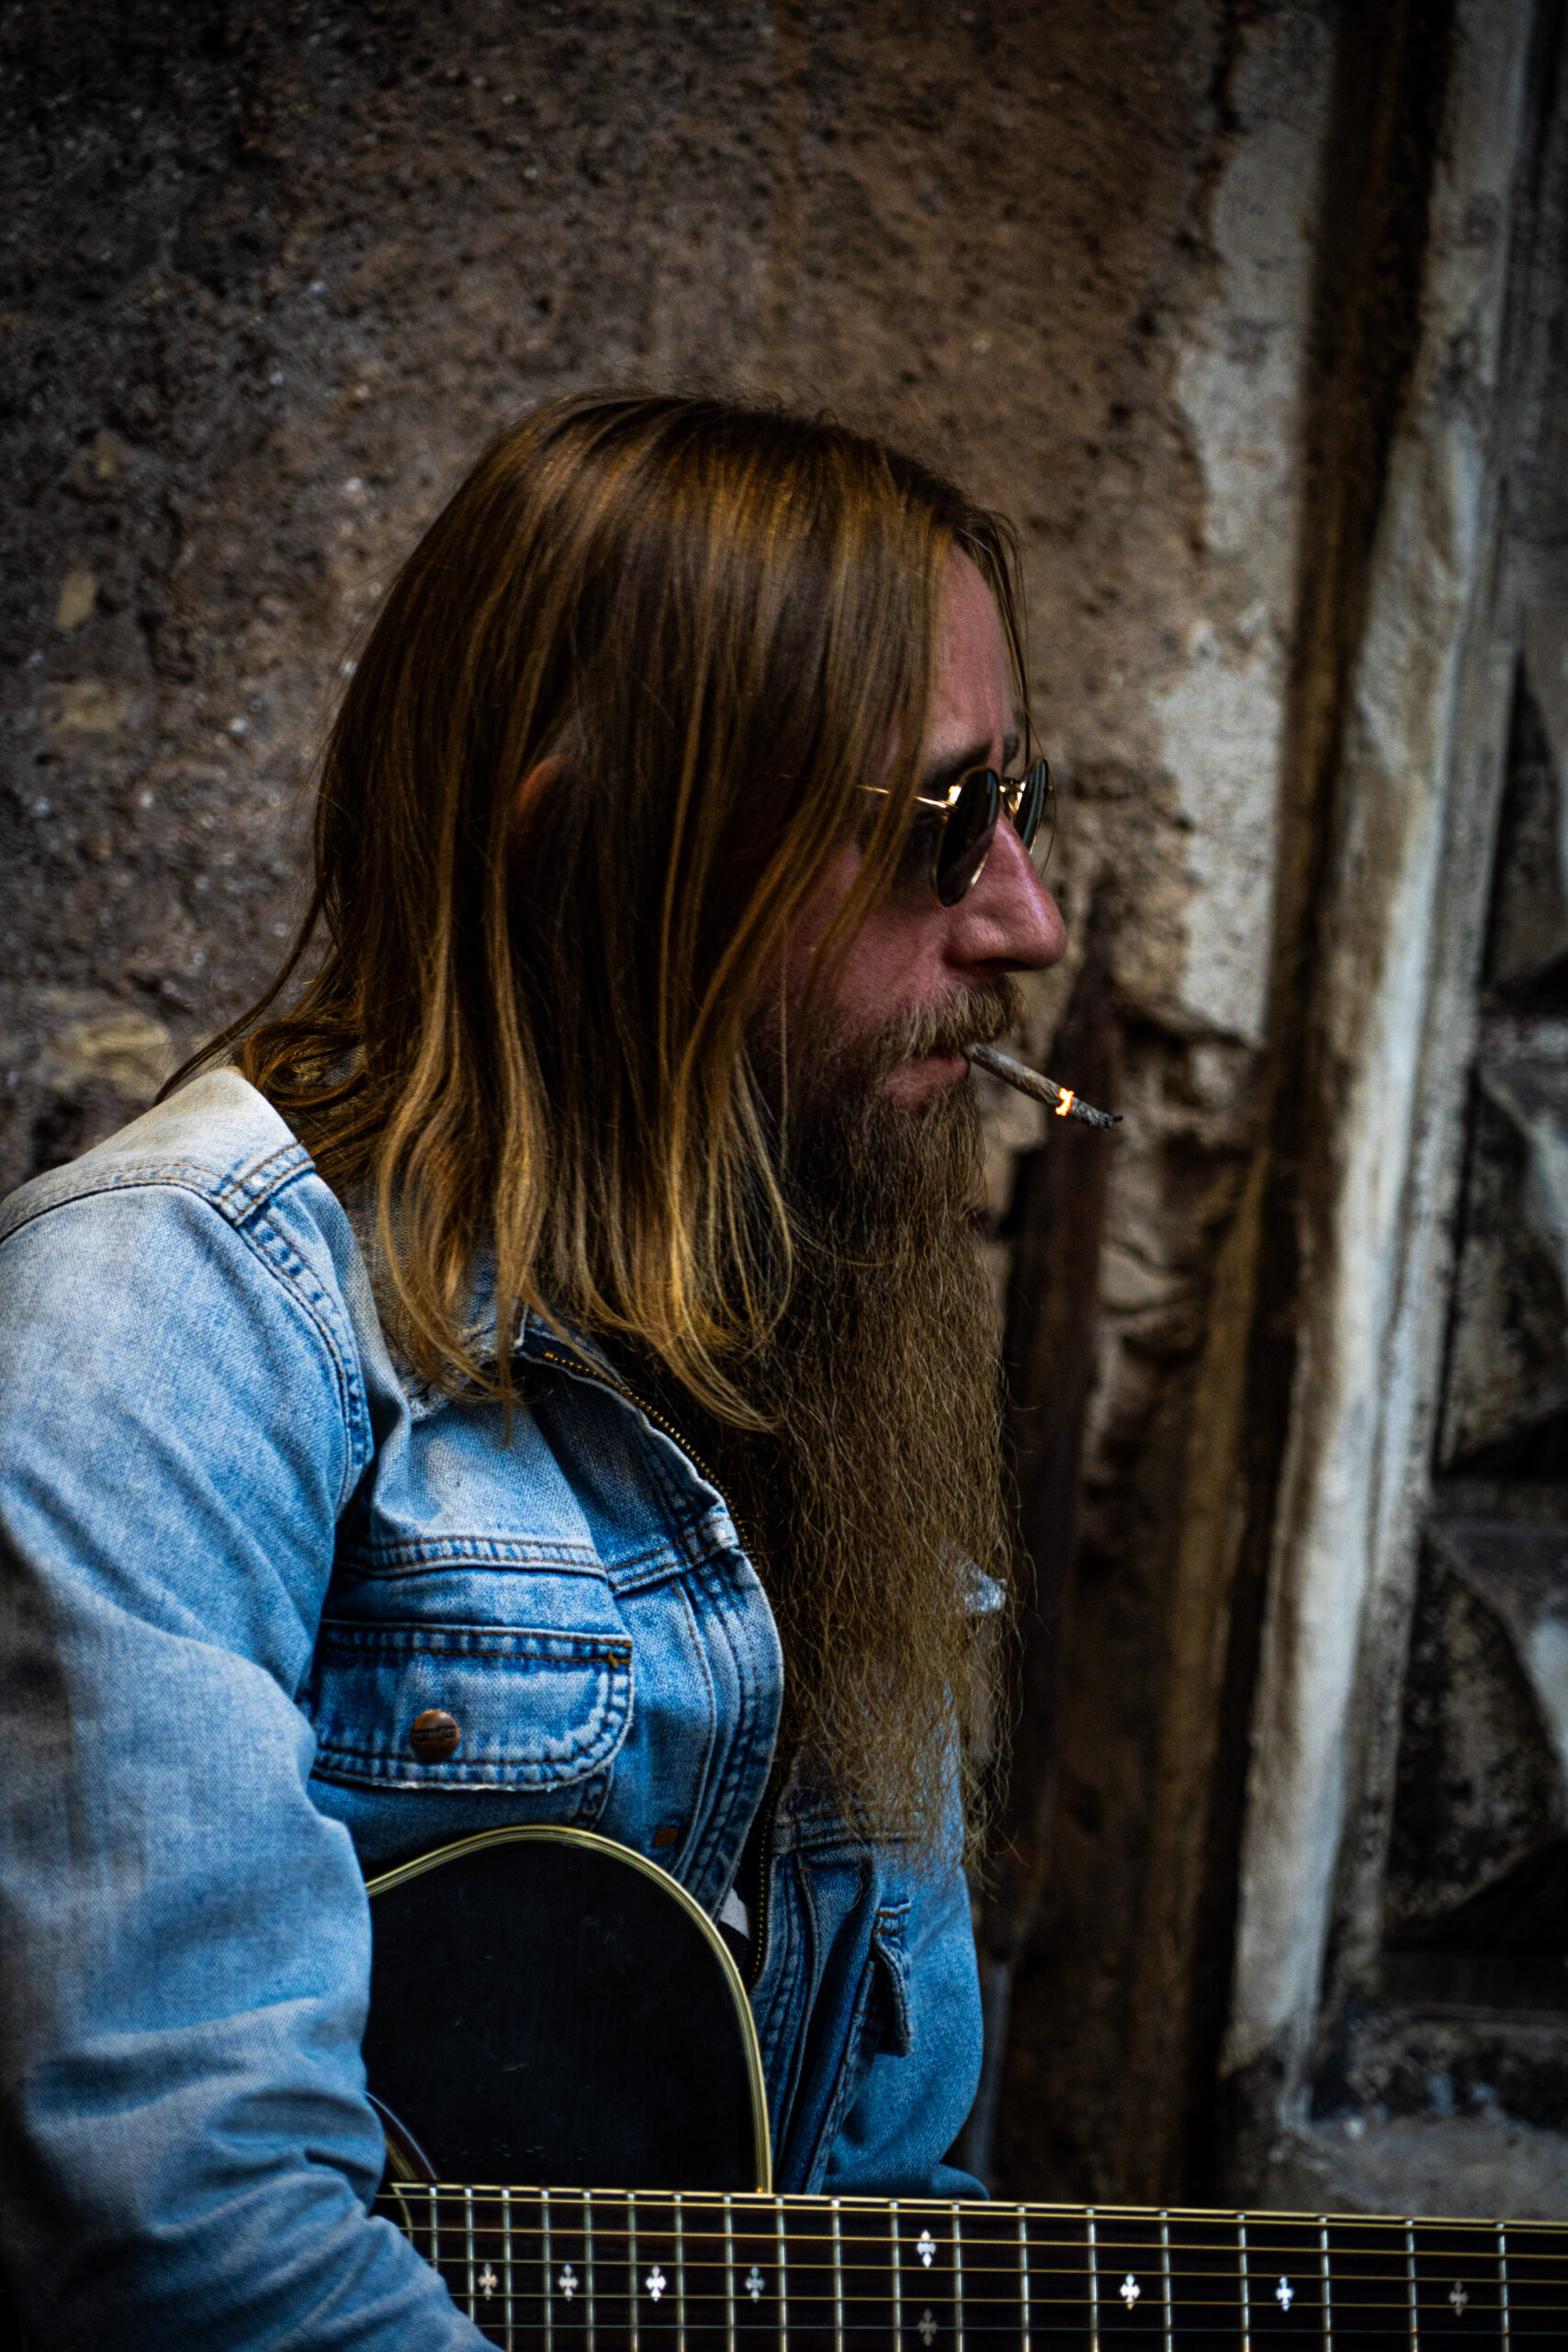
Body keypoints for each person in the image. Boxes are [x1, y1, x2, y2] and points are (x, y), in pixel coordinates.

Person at [0, 391, 1065, 2346]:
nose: (1026, 920)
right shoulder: (164, 1318)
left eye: (1023, 803)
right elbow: (185, 2236)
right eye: (938, 825)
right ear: (594, 848)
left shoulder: (825, 1368)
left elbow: (869, 2213)